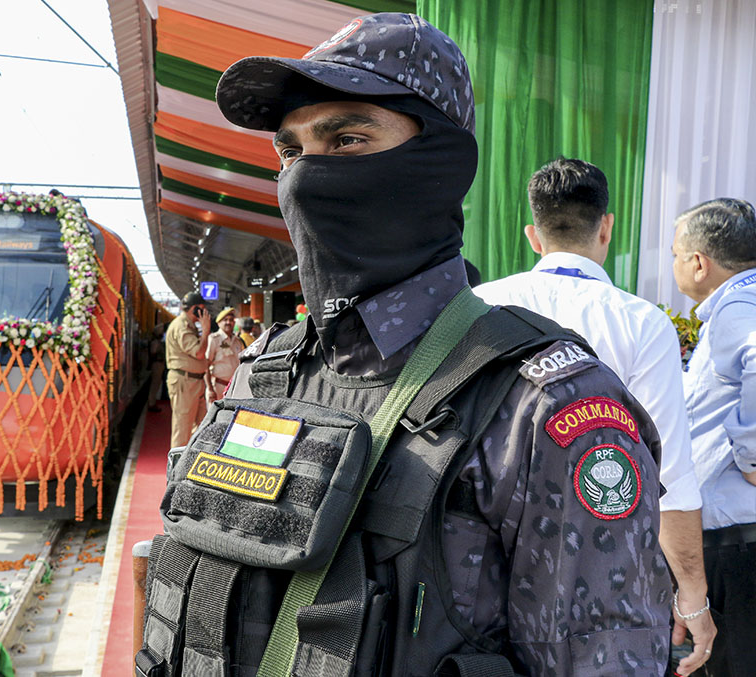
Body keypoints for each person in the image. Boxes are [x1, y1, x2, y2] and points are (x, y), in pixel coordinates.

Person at [140, 12, 671, 676]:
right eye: (292, 151)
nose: (305, 180)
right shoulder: (266, 370)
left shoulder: (544, 409)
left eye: (349, 139)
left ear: (440, 164)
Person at [474, 158, 714, 674]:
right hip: (604, 572)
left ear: (533, 235)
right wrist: (693, 599)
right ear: (606, 226)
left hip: (480, 564)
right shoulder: (641, 322)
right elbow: (667, 475)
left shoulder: (478, 307)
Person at [671, 198, 756, 676]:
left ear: (699, 263)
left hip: (737, 548)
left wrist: (753, 459)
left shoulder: (738, 308)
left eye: (675, 254)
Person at [165, 291, 211, 448]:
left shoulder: (189, 325)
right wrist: (206, 331)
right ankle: (176, 470)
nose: (204, 313)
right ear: (194, 309)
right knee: (183, 428)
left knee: (199, 427)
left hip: (194, 381)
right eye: (202, 309)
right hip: (185, 381)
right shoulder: (181, 326)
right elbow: (198, 352)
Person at [205, 307, 244, 405]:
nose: (228, 322)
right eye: (225, 320)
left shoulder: (237, 341)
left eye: (231, 320)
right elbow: (205, 365)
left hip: (234, 388)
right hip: (218, 386)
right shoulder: (214, 339)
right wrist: (210, 389)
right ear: (219, 323)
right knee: (215, 418)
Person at [146, 323, 166, 412]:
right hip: (157, 364)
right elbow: (153, 352)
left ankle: (152, 402)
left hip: (159, 364)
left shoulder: (157, 341)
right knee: (155, 384)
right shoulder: (156, 342)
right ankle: (151, 403)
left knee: (156, 384)